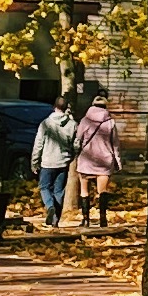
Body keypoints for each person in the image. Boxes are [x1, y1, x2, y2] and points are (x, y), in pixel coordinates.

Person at [69, 92, 123, 230]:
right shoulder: (110, 122)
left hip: (87, 160)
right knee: (102, 191)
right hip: (105, 161)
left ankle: (86, 220)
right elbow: (115, 143)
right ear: (105, 106)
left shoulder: (85, 121)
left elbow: (78, 138)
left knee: (84, 191)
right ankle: (103, 219)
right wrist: (118, 160)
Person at [31, 96, 75, 229]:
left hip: (47, 162)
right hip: (63, 163)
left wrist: (34, 162)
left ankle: (50, 206)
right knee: (59, 191)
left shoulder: (45, 124)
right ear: (66, 108)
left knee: (44, 187)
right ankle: (56, 221)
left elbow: (38, 144)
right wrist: (71, 156)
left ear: (54, 107)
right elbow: (77, 143)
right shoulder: (73, 124)